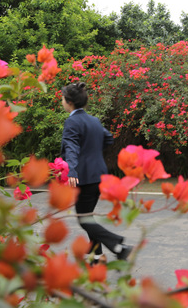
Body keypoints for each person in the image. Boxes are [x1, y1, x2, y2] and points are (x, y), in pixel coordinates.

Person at [60, 82, 133, 264]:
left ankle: (118, 246)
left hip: (83, 177)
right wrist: (92, 151)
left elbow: (71, 147)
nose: (62, 102)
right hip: (99, 175)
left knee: (84, 219)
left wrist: (72, 170)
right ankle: (97, 257)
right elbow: (108, 138)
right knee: (88, 216)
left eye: (62, 99)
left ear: (69, 102)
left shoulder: (72, 121)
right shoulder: (93, 120)